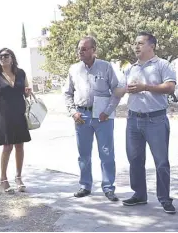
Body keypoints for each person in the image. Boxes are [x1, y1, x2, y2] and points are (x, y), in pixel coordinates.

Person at [114, 32, 176, 214]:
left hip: (156, 120)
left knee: (161, 162)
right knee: (135, 159)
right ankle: (139, 194)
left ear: (152, 46)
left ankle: (164, 198)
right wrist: (123, 89)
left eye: (140, 43)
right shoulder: (130, 68)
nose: (136, 46)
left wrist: (145, 87)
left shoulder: (162, 65)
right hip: (133, 120)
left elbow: (171, 87)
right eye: (135, 44)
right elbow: (119, 90)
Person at [63, 36, 120, 201]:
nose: (80, 51)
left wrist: (108, 111)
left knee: (106, 153)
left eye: (84, 48)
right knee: (84, 154)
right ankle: (85, 185)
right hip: (82, 116)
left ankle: (108, 188)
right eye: (79, 48)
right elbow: (67, 93)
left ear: (94, 50)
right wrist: (73, 112)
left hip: (103, 117)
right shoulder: (74, 69)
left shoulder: (106, 67)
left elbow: (116, 91)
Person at [0, 48, 32, 193]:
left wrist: (28, 92)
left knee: (20, 145)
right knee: (7, 147)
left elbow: (26, 94)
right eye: (0, 56)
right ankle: (3, 179)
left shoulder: (21, 73)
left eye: (6, 56)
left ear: (12, 58)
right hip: (4, 115)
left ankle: (18, 177)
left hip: (20, 113)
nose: (3, 58)